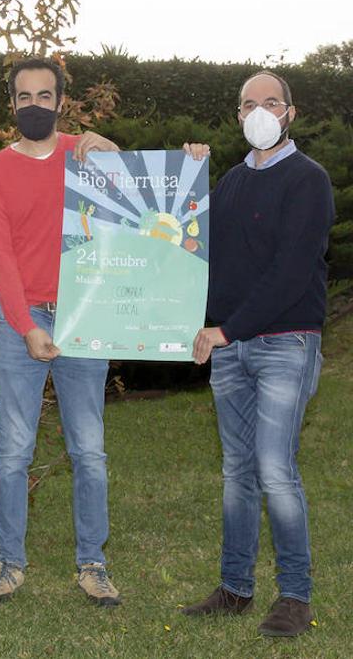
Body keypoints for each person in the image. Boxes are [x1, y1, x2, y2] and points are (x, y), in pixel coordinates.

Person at [181, 71, 333, 638]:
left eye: (272, 102)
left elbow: (291, 272)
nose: (261, 111)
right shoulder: (228, 184)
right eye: (249, 104)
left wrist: (227, 330)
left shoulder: (307, 180)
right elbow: (187, 244)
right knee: (238, 472)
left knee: (274, 469)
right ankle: (236, 588)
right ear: (238, 116)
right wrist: (186, 176)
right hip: (231, 347)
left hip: (284, 343)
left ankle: (294, 596)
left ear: (290, 113)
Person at [0, 57, 126, 606]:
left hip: (85, 318)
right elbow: (1, 258)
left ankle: (93, 563)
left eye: (44, 96)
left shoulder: (86, 157)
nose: (34, 105)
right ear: (11, 104)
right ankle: (10, 563)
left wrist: (112, 150)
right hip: (20, 321)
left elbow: (142, 201)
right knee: (14, 451)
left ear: (62, 101)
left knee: (90, 450)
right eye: (24, 97)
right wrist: (26, 325)